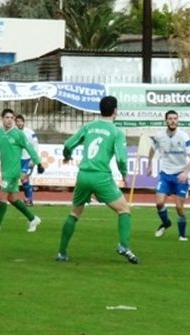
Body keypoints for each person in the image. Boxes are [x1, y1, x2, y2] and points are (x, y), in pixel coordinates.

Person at [56, 95, 138, 264]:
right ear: (115, 111)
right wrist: (124, 173)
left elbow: (68, 144)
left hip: (84, 175)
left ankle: (62, 252)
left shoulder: (89, 126)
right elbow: (122, 159)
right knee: (124, 210)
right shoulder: (116, 132)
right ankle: (123, 245)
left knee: (74, 213)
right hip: (101, 176)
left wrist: (67, 156)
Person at [0, 108, 45, 233]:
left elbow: (30, 148)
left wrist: (39, 163)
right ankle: (33, 219)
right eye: (7, 117)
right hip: (5, 170)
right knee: (12, 198)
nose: (9, 120)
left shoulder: (18, 134)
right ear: (2, 119)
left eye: (11, 118)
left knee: (2, 195)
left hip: (14, 171)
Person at [146, 109, 190, 241]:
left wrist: (186, 172)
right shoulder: (159, 136)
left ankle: (182, 235)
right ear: (166, 121)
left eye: (175, 118)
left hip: (180, 175)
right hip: (165, 174)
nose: (173, 121)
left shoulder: (183, 136)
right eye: (170, 118)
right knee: (159, 203)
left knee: (179, 207)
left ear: (177, 120)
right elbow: (152, 149)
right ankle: (166, 223)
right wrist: (150, 164)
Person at [15, 114, 40, 205]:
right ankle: (28, 199)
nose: (19, 123)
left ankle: (28, 199)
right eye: (17, 121)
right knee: (23, 180)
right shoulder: (13, 132)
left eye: (21, 121)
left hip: (28, 159)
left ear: (24, 122)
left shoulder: (30, 133)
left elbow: (35, 146)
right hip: (17, 160)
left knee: (24, 178)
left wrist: (33, 160)